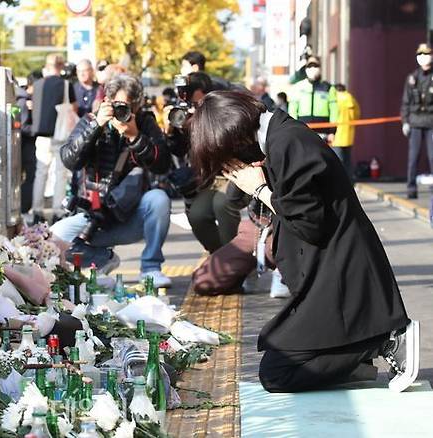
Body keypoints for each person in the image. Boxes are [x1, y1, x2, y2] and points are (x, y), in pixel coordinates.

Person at [190, 90, 419, 393]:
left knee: (277, 372)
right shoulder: (280, 139)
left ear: (233, 139)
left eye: (224, 158)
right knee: (281, 358)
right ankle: (357, 363)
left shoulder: (287, 143)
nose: (228, 167)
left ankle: (385, 342)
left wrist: (259, 189)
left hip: (341, 278)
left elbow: (308, 222)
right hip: (330, 274)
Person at [51, 74, 173, 287]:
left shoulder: (144, 123)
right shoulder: (92, 120)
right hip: (93, 217)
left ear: (137, 105)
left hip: (131, 215)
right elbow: (69, 159)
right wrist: (96, 126)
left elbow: (163, 165)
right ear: (107, 101)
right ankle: (102, 259)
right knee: (53, 239)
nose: (121, 111)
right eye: (116, 105)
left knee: (159, 199)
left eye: (127, 106)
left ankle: (151, 268)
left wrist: (135, 137)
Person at [164, 72, 244, 254]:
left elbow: (227, 141)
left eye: (192, 96)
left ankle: (233, 260)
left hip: (238, 172)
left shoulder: (222, 105)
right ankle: (219, 257)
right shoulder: (190, 111)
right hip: (214, 178)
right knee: (197, 214)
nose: (191, 104)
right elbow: (179, 150)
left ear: (200, 91)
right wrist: (171, 132)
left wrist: (198, 124)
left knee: (222, 205)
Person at [31, 54, 78, 224]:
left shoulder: (37, 85)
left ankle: (37, 211)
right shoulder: (66, 85)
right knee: (60, 173)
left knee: (40, 173)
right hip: (59, 135)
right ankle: (58, 211)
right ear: (61, 66)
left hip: (41, 136)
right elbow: (73, 108)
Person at [401, 43, 433, 199]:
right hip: (415, 123)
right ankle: (411, 189)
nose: (424, 57)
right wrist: (405, 122)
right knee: (413, 158)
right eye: (420, 54)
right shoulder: (412, 78)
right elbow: (405, 102)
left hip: (431, 123)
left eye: (426, 54)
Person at [288, 56, 337, 139]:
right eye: (310, 66)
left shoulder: (328, 88)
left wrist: (333, 131)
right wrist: (294, 128)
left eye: (315, 65)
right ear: (306, 68)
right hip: (303, 130)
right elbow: (292, 110)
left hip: (323, 131)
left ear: (320, 68)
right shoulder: (298, 87)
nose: (312, 68)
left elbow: (334, 111)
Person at [17, 71, 43, 215]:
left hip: (26, 145)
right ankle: (24, 206)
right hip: (26, 146)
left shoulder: (28, 99)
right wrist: (39, 129)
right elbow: (23, 126)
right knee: (30, 176)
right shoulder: (24, 101)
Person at [332, 84, 360, 178]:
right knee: (347, 160)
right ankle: (350, 181)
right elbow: (357, 115)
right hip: (349, 134)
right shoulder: (351, 99)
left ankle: (339, 182)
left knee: (338, 161)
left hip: (337, 135)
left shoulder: (335, 99)